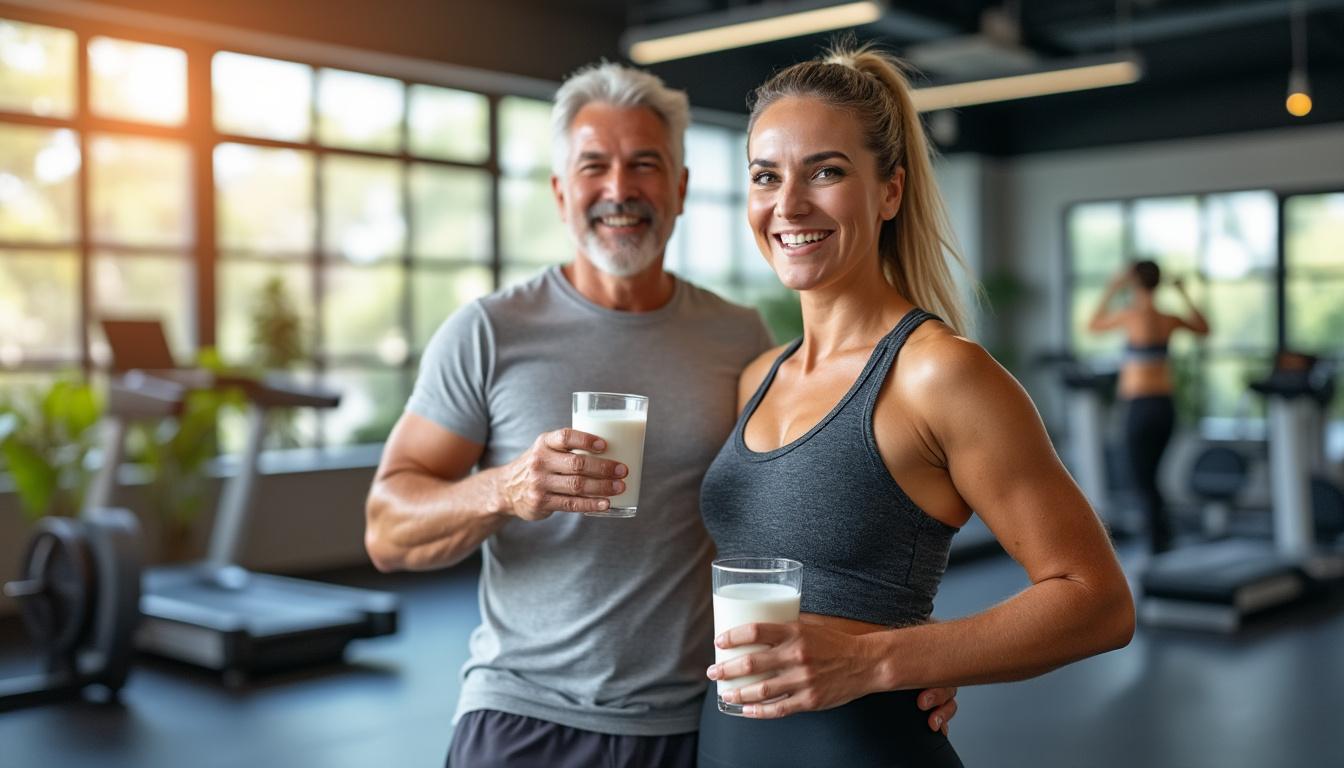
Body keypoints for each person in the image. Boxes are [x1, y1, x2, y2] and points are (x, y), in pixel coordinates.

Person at [363, 61, 957, 768]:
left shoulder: (741, 340)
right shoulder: (488, 332)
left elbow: (808, 510)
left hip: (698, 723)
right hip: (527, 718)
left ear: (679, 188)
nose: (620, 189)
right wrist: (505, 488)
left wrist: (911, 652)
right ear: (560, 191)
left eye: (644, 164)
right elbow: (386, 532)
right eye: (594, 166)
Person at [695, 45, 1136, 767]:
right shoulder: (758, 378)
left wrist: (882, 659)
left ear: (890, 192)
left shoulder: (939, 374)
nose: (788, 204)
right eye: (765, 176)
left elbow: (1098, 600)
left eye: (826, 172)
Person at [1088, 260, 1210, 553]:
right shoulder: (1168, 319)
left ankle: (1158, 544)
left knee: (1142, 479)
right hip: (1164, 407)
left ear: (1133, 282)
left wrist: (1113, 288)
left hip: (1140, 408)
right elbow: (1204, 328)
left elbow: (1092, 325)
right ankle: (1163, 539)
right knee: (1151, 479)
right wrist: (1182, 292)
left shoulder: (1130, 316)